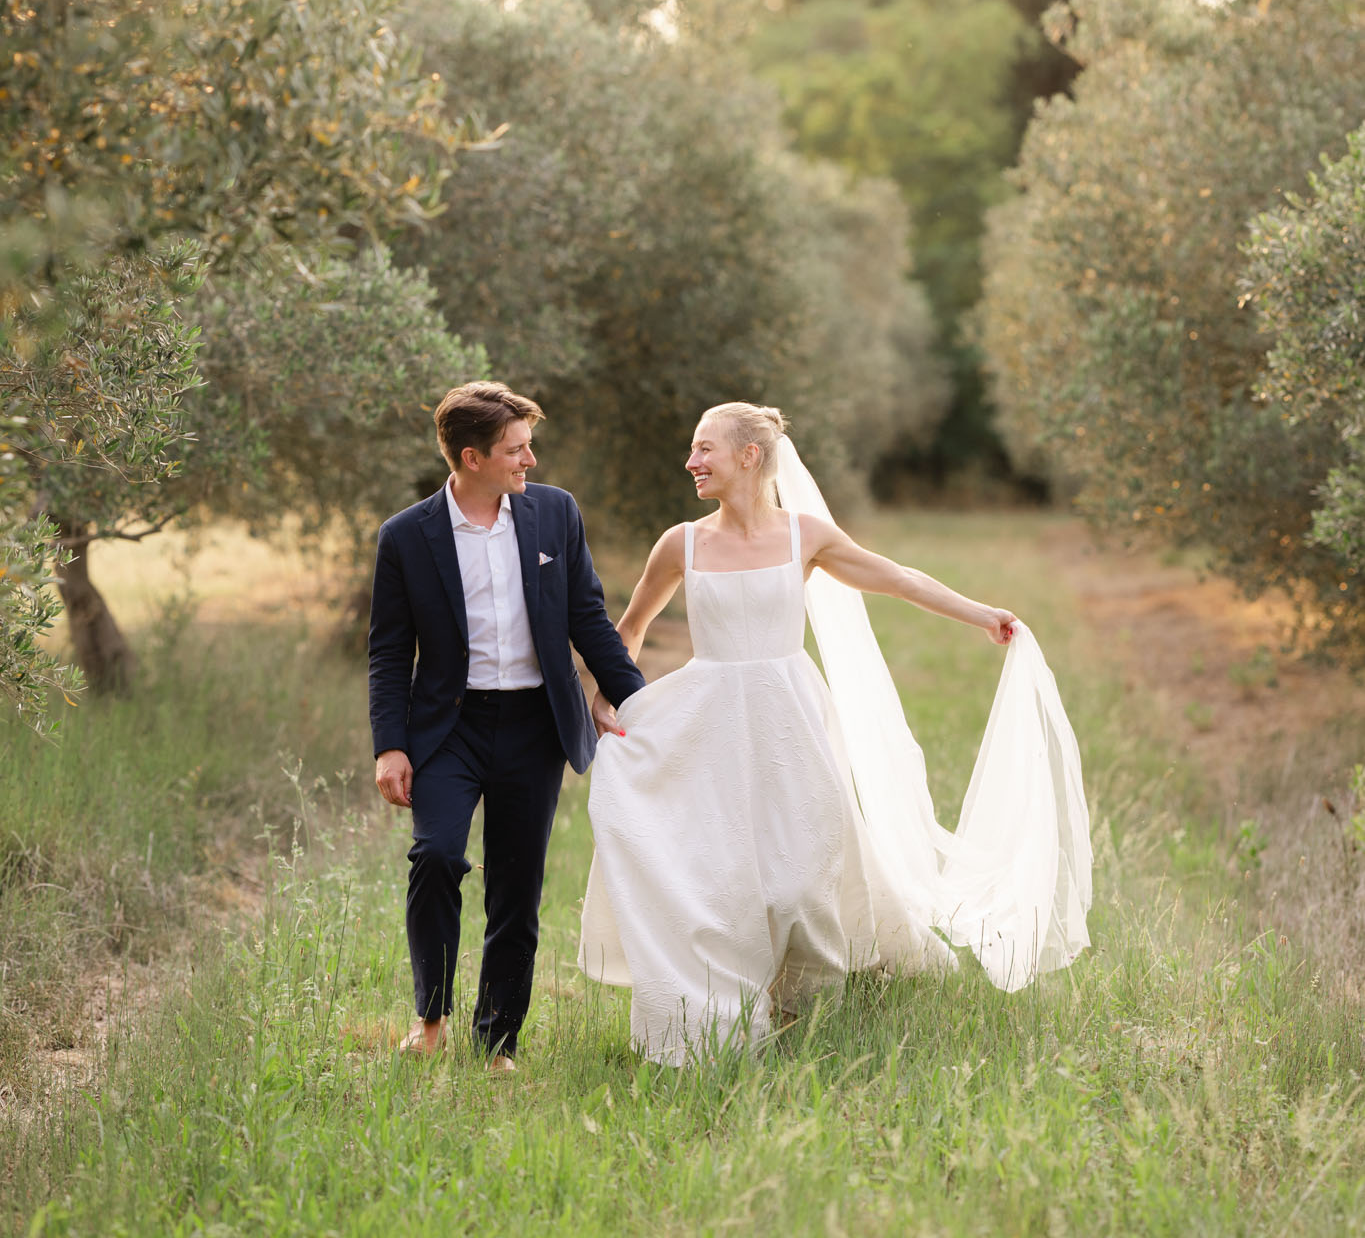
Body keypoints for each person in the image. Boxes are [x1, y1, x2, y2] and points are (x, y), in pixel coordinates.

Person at [579, 402, 1091, 1065]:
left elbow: (897, 579)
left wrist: (980, 614)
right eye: (691, 449)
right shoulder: (681, 542)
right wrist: (608, 692)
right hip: (708, 720)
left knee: (797, 873)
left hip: (788, 718)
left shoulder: (805, 537)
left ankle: (798, 1000)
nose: (691, 461)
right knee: (724, 866)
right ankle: (726, 999)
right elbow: (632, 626)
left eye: (703, 448)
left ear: (748, 456)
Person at [369, 380, 644, 1064]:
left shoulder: (554, 514)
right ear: (471, 457)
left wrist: (638, 703)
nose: (530, 462)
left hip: (533, 725)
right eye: (516, 450)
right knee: (435, 857)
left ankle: (498, 1044)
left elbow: (587, 616)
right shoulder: (406, 536)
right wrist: (390, 746)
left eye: (529, 447)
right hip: (447, 730)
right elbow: (388, 652)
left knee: (515, 891)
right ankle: (428, 1020)